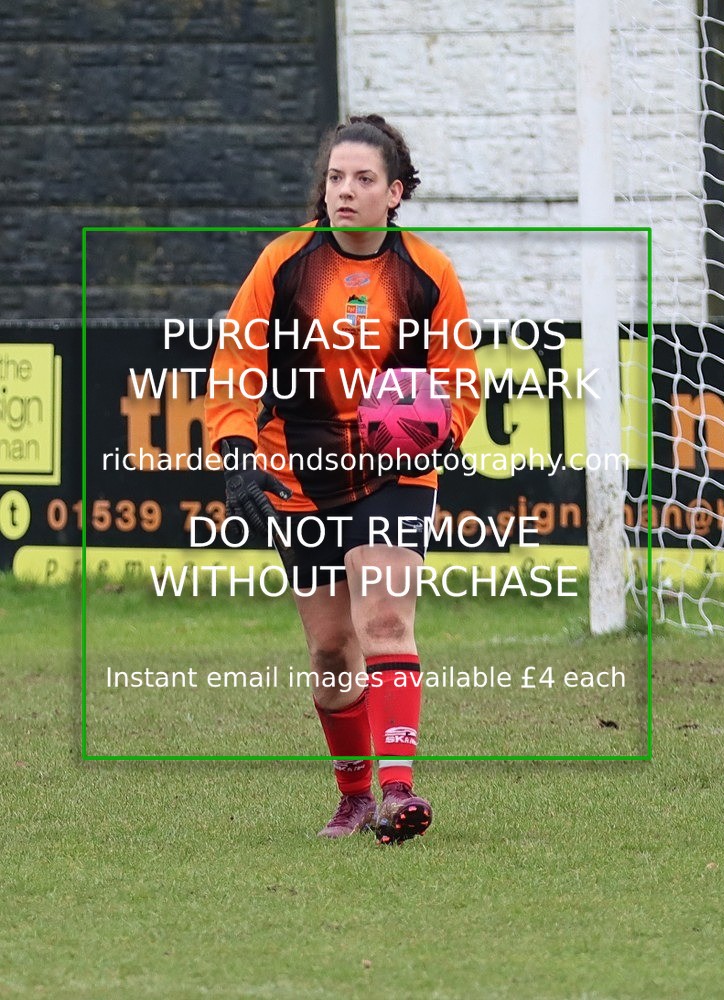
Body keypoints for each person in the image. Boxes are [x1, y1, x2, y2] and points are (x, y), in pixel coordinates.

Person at [205, 114, 479, 844]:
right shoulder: (283, 264)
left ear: (395, 193)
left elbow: (460, 382)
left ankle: (397, 792)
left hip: (396, 473)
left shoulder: (428, 273)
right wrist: (236, 455)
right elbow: (236, 364)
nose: (344, 191)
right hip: (298, 473)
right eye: (335, 178)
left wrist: (439, 428)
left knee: (385, 620)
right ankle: (354, 795)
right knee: (331, 649)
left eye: (362, 179)